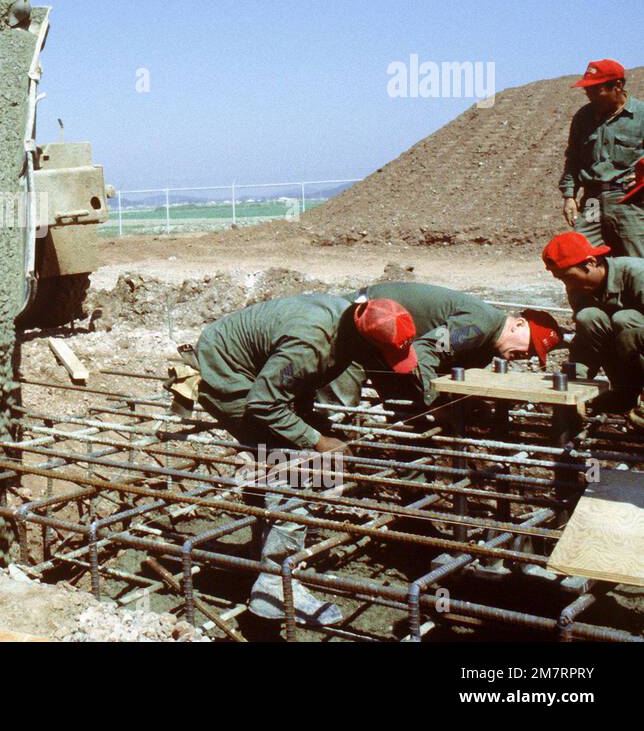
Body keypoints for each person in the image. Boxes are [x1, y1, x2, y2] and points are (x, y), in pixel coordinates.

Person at [166, 294, 417, 627]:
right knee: (294, 467)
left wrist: (313, 427)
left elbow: (296, 381)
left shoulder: (345, 322)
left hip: (257, 373)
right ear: (363, 340)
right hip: (227, 375)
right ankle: (273, 585)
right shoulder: (309, 345)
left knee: (280, 454)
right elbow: (265, 404)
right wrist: (318, 440)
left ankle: (260, 555)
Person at [320, 282, 562, 409]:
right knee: (338, 409)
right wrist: (435, 404)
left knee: (408, 410)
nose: (526, 357)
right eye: (530, 347)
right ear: (518, 325)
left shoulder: (487, 345)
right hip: (355, 325)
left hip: (387, 346)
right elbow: (425, 354)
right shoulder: (477, 327)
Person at [542, 231, 644, 424]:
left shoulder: (638, 274)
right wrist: (576, 386)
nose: (568, 286)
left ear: (590, 262)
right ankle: (625, 394)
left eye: (568, 277)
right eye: (561, 279)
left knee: (626, 321)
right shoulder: (579, 290)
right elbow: (585, 342)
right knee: (588, 317)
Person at [559, 58, 644, 256]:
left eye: (595, 90)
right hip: (592, 200)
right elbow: (573, 158)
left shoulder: (640, 115)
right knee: (581, 256)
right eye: (587, 90)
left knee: (637, 261)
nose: (589, 95)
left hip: (628, 201)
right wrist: (569, 196)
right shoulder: (583, 117)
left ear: (618, 86)